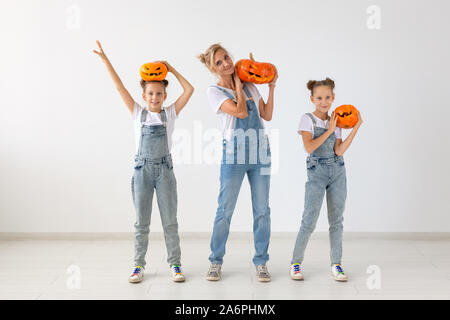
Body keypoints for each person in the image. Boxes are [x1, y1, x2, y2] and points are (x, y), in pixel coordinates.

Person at [93, 40, 194, 283]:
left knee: (170, 221)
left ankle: (175, 264)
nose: (155, 97)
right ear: (144, 95)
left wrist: (171, 68)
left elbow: (190, 90)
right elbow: (119, 88)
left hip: (165, 171)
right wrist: (106, 61)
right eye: (150, 93)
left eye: (159, 93)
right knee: (142, 223)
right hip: (142, 172)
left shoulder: (169, 113)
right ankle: (138, 265)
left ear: (165, 95)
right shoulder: (138, 113)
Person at [198, 44, 277, 282]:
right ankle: (215, 261)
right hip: (233, 153)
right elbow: (241, 113)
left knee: (262, 210)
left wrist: (271, 87)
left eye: (226, 58)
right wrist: (240, 89)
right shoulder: (215, 91)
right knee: (225, 210)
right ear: (213, 68)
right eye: (219, 63)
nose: (226, 64)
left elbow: (267, 114)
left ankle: (261, 262)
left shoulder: (250, 82)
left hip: (260, 151)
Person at [289, 78, 362, 281]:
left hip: (338, 171)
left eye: (327, 97)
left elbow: (338, 150)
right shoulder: (307, 120)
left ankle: (336, 264)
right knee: (309, 221)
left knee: (336, 221)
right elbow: (309, 147)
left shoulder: (337, 121)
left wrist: (355, 129)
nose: (324, 101)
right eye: (319, 98)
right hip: (317, 172)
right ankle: (296, 263)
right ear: (312, 99)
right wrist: (329, 130)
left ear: (333, 98)